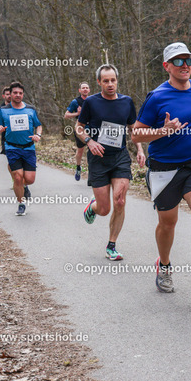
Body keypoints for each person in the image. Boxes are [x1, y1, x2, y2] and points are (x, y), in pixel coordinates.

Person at [132, 42, 191, 305]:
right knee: (167, 223)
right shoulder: (157, 97)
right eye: (178, 61)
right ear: (166, 66)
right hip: (164, 167)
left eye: (188, 60)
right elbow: (136, 134)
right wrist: (164, 130)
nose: (185, 65)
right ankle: (164, 265)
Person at [77, 65, 145, 260]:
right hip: (98, 158)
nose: (110, 84)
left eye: (113, 80)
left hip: (120, 157)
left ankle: (111, 245)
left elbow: (133, 129)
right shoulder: (91, 102)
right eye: (105, 80)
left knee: (120, 201)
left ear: (117, 80)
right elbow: (79, 127)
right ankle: (93, 207)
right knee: (104, 209)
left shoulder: (126, 102)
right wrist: (89, 142)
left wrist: (140, 150)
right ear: (99, 82)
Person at [0, 81, 42, 216]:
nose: (18, 95)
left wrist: (38, 135)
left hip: (28, 148)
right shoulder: (3, 110)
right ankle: (21, 203)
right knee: (17, 177)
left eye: (20, 93)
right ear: (10, 94)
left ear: (23, 95)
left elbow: (39, 125)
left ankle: (24, 186)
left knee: (30, 179)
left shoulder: (30, 109)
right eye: (15, 92)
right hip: (12, 147)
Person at [64, 82, 90, 181]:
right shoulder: (75, 102)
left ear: (89, 90)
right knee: (80, 151)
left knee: (92, 151)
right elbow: (66, 115)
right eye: (83, 88)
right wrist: (77, 113)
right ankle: (78, 167)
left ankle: (91, 172)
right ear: (80, 90)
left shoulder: (93, 100)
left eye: (86, 88)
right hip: (80, 129)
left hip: (92, 129)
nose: (85, 89)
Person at [0, 87, 12, 155]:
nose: (9, 96)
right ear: (3, 96)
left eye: (10, 94)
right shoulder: (0, 108)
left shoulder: (19, 107)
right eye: (7, 94)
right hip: (5, 137)